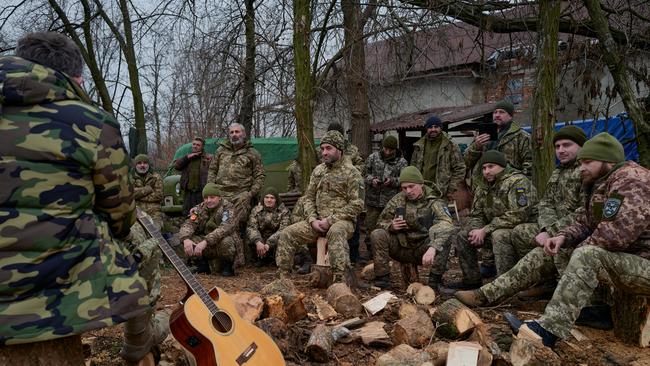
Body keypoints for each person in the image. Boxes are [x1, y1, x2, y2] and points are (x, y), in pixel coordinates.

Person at [0, 32, 148, 360]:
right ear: (75, 77)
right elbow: (120, 216)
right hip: (58, 291)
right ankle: (137, 346)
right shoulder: (92, 124)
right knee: (139, 259)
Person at [456, 133, 650, 349]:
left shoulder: (632, 180)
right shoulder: (603, 182)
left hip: (643, 263)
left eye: (587, 162)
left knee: (587, 254)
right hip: (625, 260)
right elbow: (585, 220)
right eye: (580, 163)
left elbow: (617, 234)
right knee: (552, 250)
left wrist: (578, 247)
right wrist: (562, 237)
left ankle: (547, 331)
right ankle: (486, 294)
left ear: (609, 161)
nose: (581, 168)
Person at [275, 131, 365, 288]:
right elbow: (308, 198)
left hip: (342, 223)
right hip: (317, 222)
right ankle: (283, 280)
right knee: (287, 234)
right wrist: (312, 219)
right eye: (322, 148)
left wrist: (330, 220)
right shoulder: (318, 171)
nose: (324, 152)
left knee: (335, 232)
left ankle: (339, 282)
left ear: (339, 149)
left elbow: (357, 204)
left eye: (328, 148)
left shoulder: (352, 173)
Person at [495, 126, 586, 274]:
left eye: (567, 145)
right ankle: (542, 279)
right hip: (553, 226)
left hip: (576, 230)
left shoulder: (586, 171)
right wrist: (547, 228)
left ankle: (556, 280)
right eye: (557, 146)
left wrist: (552, 231)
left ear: (582, 146)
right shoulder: (558, 172)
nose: (561, 150)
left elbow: (583, 212)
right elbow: (545, 203)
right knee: (519, 232)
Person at [455, 150, 537, 288]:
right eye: (484, 168)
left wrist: (485, 230)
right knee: (463, 235)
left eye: (491, 166)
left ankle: (503, 286)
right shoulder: (483, 186)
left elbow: (519, 215)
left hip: (521, 230)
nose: (486, 171)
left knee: (499, 235)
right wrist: (476, 230)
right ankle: (471, 283)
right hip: (494, 228)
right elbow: (477, 214)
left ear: (502, 166)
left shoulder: (517, 182)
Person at [370, 167, 455, 289]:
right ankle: (382, 279)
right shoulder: (398, 199)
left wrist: (433, 247)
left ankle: (434, 281)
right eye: (404, 188)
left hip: (424, 250)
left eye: (411, 186)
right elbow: (380, 222)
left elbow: (446, 224)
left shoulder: (434, 201)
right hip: (401, 247)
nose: (408, 191)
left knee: (445, 237)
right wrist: (391, 226)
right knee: (377, 234)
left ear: (421, 184)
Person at [208, 123, 265, 262]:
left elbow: (260, 176)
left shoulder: (252, 153)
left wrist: (250, 193)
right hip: (221, 194)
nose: (234, 134)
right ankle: (220, 255)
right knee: (218, 222)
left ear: (243, 134)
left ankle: (238, 257)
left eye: (237, 132)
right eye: (232, 132)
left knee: (235, 222)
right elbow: (212, 170)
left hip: (241, 195)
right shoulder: (221, 151)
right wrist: (211, 189)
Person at [120, 211, 170, 365]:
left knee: (135, 348)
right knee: (134, 348)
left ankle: (171, 316)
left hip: (145, 297)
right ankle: (169, 316)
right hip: (122, 297)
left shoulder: (142, 217)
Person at [464, 100, 532, 188]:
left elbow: (530, 166)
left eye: (501, 112)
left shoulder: (522, 136)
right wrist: (476, 146)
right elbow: (466, 162)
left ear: (510, 116)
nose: (497, 115)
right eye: (495, 112)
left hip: (507, 188)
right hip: (482, 188)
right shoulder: (483, 135)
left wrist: (519, 185)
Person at [178, 183, 241, 276]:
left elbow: (224, 228)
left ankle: (228, 265)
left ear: (219, 197)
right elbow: (189, 223)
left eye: (212, 197)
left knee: (227, 241)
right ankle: (202, 264)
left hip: (220, 242)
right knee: (189, 239)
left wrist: (205, 241)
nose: (209, 200)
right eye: (206, 198)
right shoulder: (199, 209)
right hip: (206, 243)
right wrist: (186, 239)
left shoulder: (228, 208)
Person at [326, 122, 365, 262]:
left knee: (352, 220)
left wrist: (352, 174)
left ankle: (354, 256)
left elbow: (360, 164)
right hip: (331, 193)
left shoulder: (352, 150)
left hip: (349, 190)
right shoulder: (325, 149)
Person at [364, 135, 408, 257]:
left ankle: (387, 250)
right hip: (373, 200)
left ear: (395, 149)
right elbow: (364, 173)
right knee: (370, 225)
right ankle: (370, 250)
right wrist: (372, 180)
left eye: (391, 150)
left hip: (390, 201)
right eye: (386, 149)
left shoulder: (401, 162)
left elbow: (404, 179)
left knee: (388, 226)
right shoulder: (373, 157)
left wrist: (393, 181)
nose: (388, 152)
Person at [410, 116, 466, 199]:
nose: (433, 129)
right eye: (430, 127)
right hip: (422, 190)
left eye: (436, 127)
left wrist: (451, 188)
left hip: (441, 191)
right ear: (426, 129)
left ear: (441, 128)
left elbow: (460, 168)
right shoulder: (419, 145)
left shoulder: (450, 145)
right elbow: (413, 167)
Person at [246, 187, 291, 267]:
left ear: (276, 200)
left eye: (272, 198)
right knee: (249, 238)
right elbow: (251, 227)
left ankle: (274, 259)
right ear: (263, 198)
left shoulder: (284, 212)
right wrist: (258, 241)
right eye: (266, 197)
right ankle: (259, 259)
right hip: (261, 240)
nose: (269, 200)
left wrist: (269, 244)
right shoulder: (256, 210)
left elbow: (283, 230)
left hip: (275, 241)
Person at [174, 137, 213, 216]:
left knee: (202, 214)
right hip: (188, 193)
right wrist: (187, 157)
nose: (195, 146)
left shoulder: (208, 158)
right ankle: (187, 228)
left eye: (198, 145)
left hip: (201, 192)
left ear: (202, 147)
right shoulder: (188, 157)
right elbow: (177, 166)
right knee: (187, 213)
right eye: (194, 144)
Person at [132, 154, 164, 227]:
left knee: (155, 233)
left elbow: (159, 196)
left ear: (148, 165)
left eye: (145, 163)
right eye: (139, 163)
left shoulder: (156, 177)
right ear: (135, 165)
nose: (142, 165)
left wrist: (138, 196)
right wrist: (148, 189)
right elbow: (129, 195)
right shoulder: (130, 178)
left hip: (154, 212)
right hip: (136, 212)